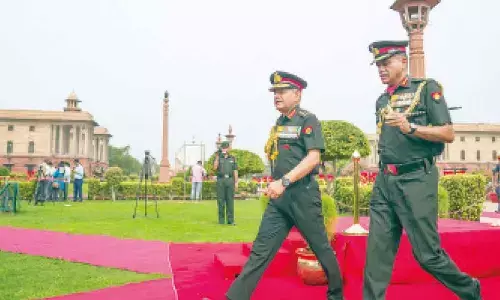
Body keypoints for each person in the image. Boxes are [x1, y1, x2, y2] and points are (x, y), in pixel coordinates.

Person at [363, 40, 481, 300]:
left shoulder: (427, 89)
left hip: (416, 179)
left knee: (427, 254)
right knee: (377, 254)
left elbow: (448, 133)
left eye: (386, 63)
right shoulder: (382, 99)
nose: (381, 69)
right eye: (378, 65)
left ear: (403, 61)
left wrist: (412, 128)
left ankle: (469, 289)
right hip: (385, 181)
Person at [225, 71, 344, 300]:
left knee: (321, 249)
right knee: (260, 252)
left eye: (282, 91)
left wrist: (284, 181)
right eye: (275, 92)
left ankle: (336, 296)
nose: (277, 96)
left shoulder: (308, 120)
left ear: (297, 94)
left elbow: (313, 158)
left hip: (303, 196)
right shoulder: (279, 123)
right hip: (280, 200)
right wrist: (278, 184)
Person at [213, 141, 238, 225]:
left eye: (226, 147)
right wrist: (217, 157)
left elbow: (235, 170)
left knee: (230, 200)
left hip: (230, 180)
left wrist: (236, 182)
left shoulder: (232, 158)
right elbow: (215, 167)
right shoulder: (218, 157)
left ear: (229, 148)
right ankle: (221, 220)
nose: (225, 149)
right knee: (220, 200)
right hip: (221, 180)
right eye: (223, 148)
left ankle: (230, 220)